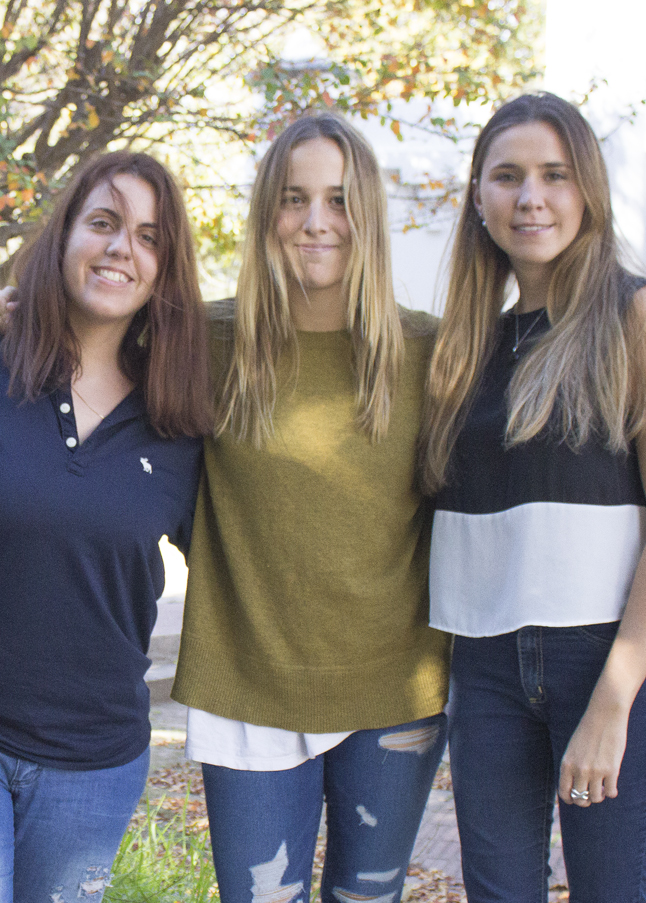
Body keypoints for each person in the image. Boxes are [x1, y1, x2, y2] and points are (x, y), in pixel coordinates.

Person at [0, 151, 213, 903]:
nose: (122, 248)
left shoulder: (180, 419)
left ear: (165, 270)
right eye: (104, 223)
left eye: (149, 237)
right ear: (62, 238)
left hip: (97, 757)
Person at [419, 92, 646, 902]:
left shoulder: (637, 313)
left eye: (554, 175)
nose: (530, 197)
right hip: (484, 665)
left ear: (588, 191)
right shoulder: (464, 347)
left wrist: (613, 700)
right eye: (507, 177)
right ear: (478, 197)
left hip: (608, 660)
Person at [168, 112, 451, 903]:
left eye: (339, 199)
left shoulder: (428, 351)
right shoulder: (202, 340)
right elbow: (76, 338)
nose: (317, 221)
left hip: (396, 688)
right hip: (246, 683)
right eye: (295, 199)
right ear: (267, 213)